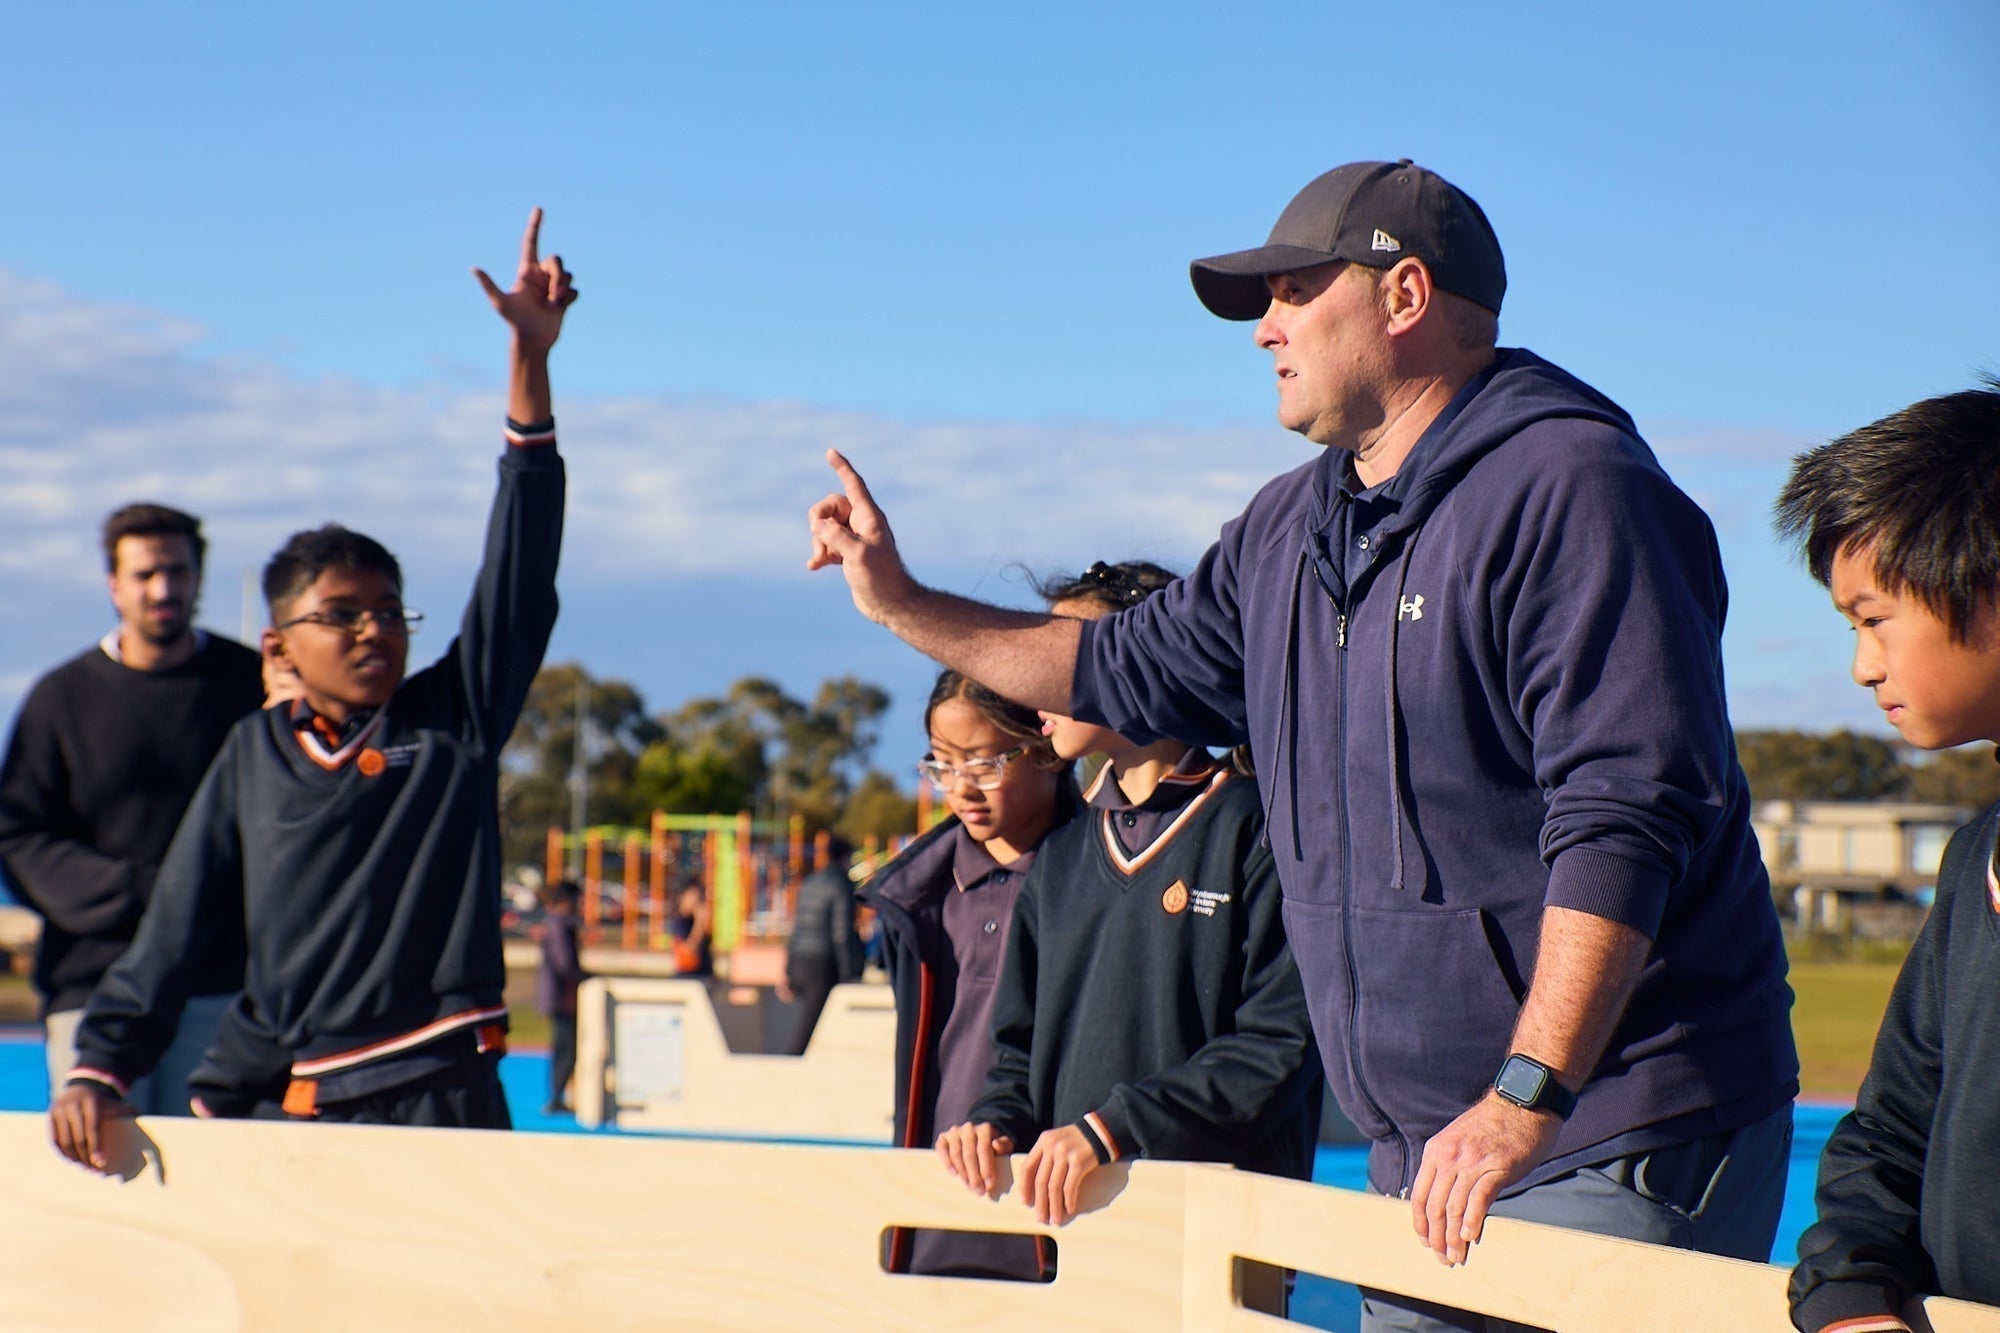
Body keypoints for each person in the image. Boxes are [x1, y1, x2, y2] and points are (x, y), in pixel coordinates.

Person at [810, 160, 1798, 1330]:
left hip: (1607, 1122)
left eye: (1289, 293)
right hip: (1428, 1153)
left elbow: (1625, 818)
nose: (1261, 328)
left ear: (1403, 294)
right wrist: (899, 599)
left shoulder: (1575, 490)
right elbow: (1106, 669)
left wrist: (1522, 1091)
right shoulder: (1288, 525)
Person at [48, 208, 575, 1167]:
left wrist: (528, 369)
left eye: (389, 608)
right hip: (295, 1111)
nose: (373, 627)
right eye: (341, 612)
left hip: (444, 1099)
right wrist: (99, 1065)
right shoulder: (254, 753)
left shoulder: (450, 722)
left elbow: (520, 574)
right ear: (279, 640)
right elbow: (172, 926)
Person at [937, 561, 1322, 1314]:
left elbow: (1282, 1045)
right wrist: (992, 1123)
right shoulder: (1064, 853)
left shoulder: (1262, 831)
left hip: (1213, 1255)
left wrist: (1115, 1127)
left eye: (1063, 649)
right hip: (1074, 1243)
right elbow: (1019, 1049)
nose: (1033, 678)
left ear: (1148, 659)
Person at [1775, 380, 2000, 1332]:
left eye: (1875, 617)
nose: (1865, 664)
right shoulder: (1970, 860)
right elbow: (1888, 1131)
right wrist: (1852, 1290)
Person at [0, 502, 265, 1112]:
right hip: (94, 988)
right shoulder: (61, 698)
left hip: (222, 989)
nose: (163, 588)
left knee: (218, 1186)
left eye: (177, 571)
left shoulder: (247, 685)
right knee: (104, 1183)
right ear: (114, 585)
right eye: (145, 574)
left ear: (198, 578)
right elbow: (19, 836)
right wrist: (144, 893)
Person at [860, 668, 1078, 1280]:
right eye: (942, 764)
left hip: (1057, 1210)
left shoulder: (1097, 882)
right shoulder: (917, 896)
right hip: (933, 1202)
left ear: (1047, 751)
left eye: (984, 764)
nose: (961, 789)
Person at [780, 835, 864, 1055]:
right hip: (822, 965)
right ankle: (783, 1078)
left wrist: (789, 969)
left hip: (800, 960)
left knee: (802, 1029)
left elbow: (796, 928)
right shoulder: (841, 885)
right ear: (845, 858)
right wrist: (849, 973)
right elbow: (841, 934)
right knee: (804, 1039)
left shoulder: (810, 882)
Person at [537, 879, 587, 1116]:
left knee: (564, 1047)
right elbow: (565, 964)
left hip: (558, 996)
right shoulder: (559, 925)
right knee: (566, 1048)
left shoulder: (556, 924)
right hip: (563, 998)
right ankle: (556, 1098)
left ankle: (558, 1096)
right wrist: (586, 978)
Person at [667, 878, 713, 977]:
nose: (696, 902)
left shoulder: (695, 919)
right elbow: (690, 949)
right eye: (693, 896)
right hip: (688, 976)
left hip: (704, 974)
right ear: (683, 896)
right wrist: (699, 921)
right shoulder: (679, 922)